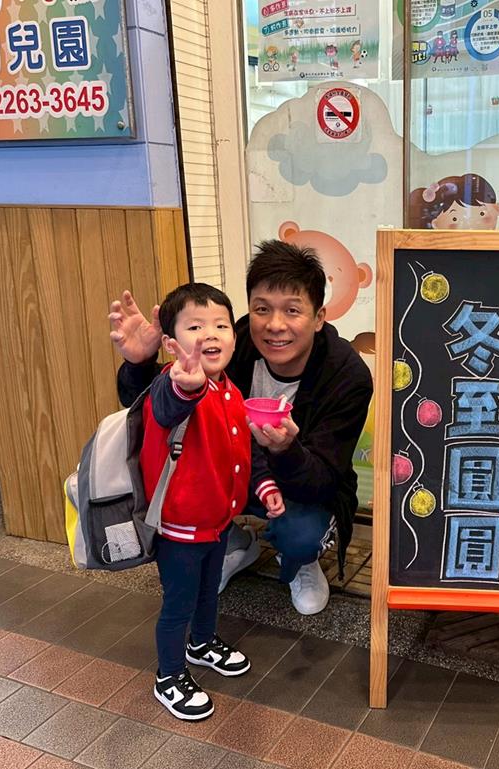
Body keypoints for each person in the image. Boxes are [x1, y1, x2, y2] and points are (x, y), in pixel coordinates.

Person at [109, 241, 373, 616]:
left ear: (318, 318)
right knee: (181, 481)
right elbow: (161, 407)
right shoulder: (235, 343)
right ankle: (233, 542)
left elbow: (324, 480)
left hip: (303, 484)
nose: (275, 325)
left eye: (292, 310)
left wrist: (286, 449)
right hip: (231, 470)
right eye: (262, 309)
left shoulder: (346, 375)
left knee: (300, 535)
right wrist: (140, 364)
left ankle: (301, 561)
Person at [144, 283, 283, 721]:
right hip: (181, 527)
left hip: (218, 521)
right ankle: (168, 676)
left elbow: (245, 450)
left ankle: (201, 644)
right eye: (195, 327)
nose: (210, 334)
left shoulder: (230, 391)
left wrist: (264, 487)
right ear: (171, 343)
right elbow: (167, 409)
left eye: (221, 325)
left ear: (234, 338)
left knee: (208, 592)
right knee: (178, 604)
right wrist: (186, 387)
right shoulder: (173, 385)